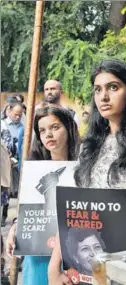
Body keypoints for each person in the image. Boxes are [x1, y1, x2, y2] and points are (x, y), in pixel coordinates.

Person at [48, 59, 126, 285]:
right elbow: (75, 210)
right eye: (98, 90)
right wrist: (56, 264)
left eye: (113, 87)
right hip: (86, 265)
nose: (103, 97)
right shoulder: (89, 147)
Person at [5, 105, 80, 285]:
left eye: (55, 127)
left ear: (68, 128)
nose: (48, 134)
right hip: (37, 253)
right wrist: (15, 227)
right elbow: (27, 208)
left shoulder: (84, 167)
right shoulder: (34, 169)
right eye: (42, 130)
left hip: (73, 253)